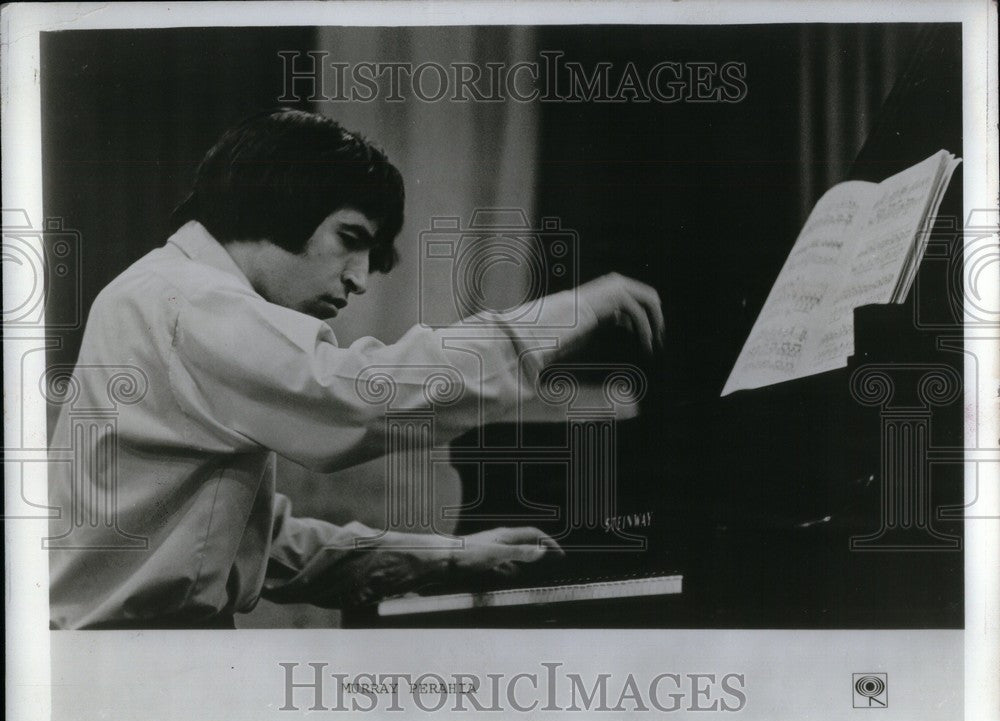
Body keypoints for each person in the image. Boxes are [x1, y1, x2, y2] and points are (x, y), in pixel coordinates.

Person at [47, 108, 665, 629]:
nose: (360, 279)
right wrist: (567, 313)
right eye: (350, 238)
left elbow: (256, 546)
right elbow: (364, 399)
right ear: (276, 203)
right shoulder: (189, 302)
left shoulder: (164, 293)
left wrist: (448, 556)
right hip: (139, 667)